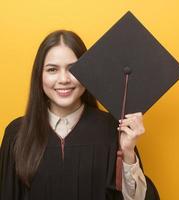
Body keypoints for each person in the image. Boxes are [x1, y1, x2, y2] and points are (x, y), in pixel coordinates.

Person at [0, 30, 147, 200]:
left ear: (87, 73)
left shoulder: (112, 129)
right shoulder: (16, 134)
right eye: (52, 69)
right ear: (39, 76)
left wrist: (128, 153)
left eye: (72, 69)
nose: (63, 79)